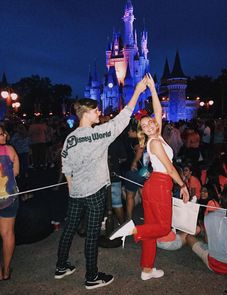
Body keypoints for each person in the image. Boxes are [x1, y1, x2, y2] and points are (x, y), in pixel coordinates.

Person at [54, 78, 147, 289]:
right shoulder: (98, 134)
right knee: (93, 233)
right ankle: (92, 277)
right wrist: (138, 92)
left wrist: (72, 188)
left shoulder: (70, 138)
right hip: (94, 191)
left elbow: (65, 166)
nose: (99, 113)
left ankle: (61, 266)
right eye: (96, 111)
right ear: (86, 113)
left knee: (70, 227)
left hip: (76, 192)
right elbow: (123, 118)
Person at [110, 73, 189, 280]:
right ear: (142, 132)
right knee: (162, 227)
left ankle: (147, 269)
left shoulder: (158, 136)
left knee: (153, 231)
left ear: (155, 124)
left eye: (150, 122)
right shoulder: (153, 142)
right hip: (159, 184)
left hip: (155, 185)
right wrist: (183, 185)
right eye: (144, 126)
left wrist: (153, 89)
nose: (149, 125)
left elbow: (158, 110)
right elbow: (170, 169)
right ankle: (132, 229)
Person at [186, 186, 227, 275]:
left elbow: (207, 241)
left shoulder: (210, 216)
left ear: (221, 198)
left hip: (215, 265)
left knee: (189, 237)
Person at [0, 125, 19, 280]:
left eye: (3, 134)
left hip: (7, 198)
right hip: (8, 198)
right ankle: (6, 271)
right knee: (7, 234)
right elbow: (16, 172)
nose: (3, 137)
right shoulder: (10, 150)